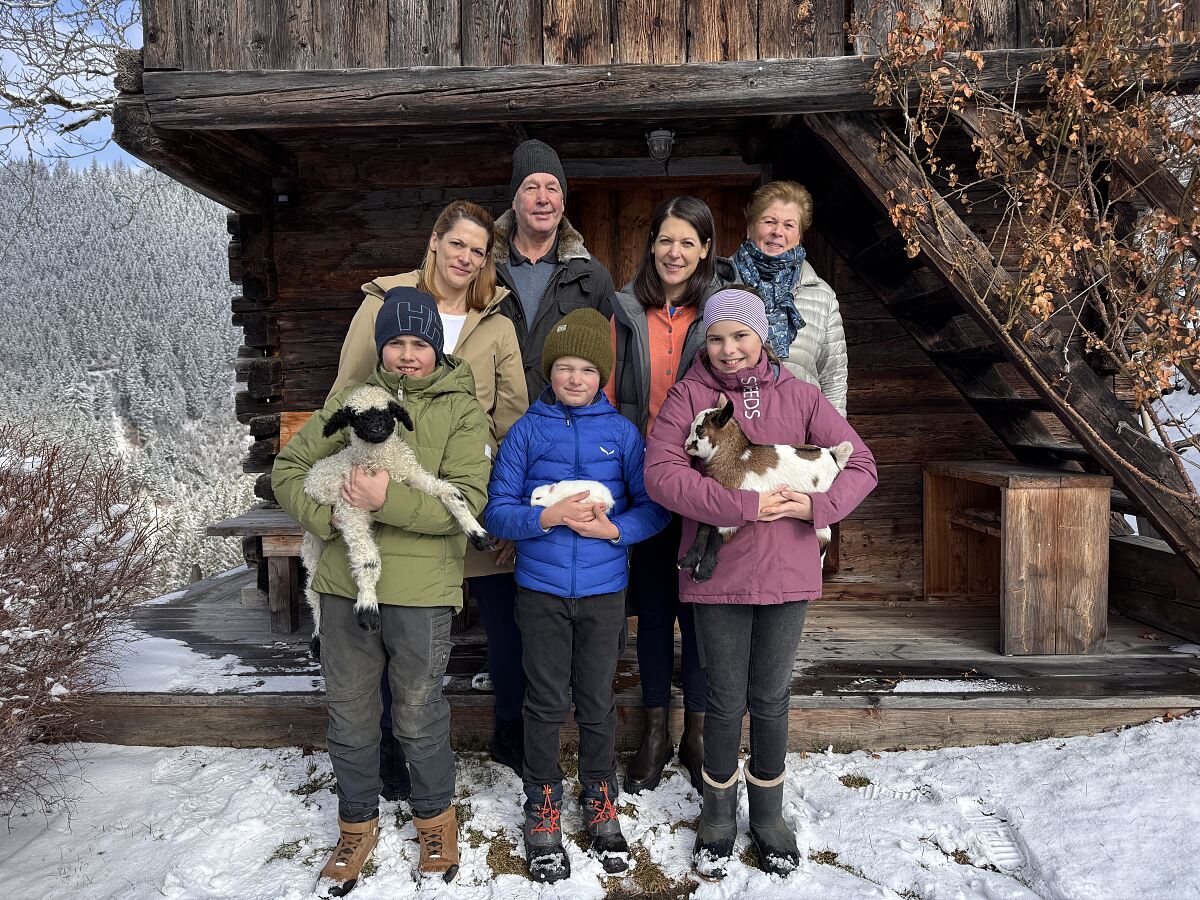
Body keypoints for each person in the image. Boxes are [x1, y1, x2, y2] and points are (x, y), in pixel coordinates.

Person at [644, 288, 877, 880]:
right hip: (717, 575)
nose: (727, 350)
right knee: (723, 699)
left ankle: (769, 813)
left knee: (771, 697)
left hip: (787, 571)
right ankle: (719, 814)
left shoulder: (801, 396)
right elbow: (661, 474)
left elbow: (863, 464)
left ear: (762, 337)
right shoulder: (689, 397)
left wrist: (816, 506)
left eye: (739, 337)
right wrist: (741, 502)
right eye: (716, 338)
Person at [274, 288, 491, 894]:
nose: (406, 355)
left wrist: (384, 500)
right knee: (349, 710)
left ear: (436, 348)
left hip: (422, 590)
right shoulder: (350, 401)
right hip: (346, 584)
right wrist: (327, 519)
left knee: (420, 712)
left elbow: (466, 506)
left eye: (419, 343)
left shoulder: (461, 411)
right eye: (396, 342)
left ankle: (435, 822)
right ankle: (356, 824)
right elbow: (286, 472)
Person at [327, 200, 530, 786]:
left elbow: (513, 419)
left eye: (479, 250)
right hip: (390, 495)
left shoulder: (495, 321)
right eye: (458, 244)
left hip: (469, 497)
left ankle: (509, 731)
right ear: (435, 242)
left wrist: (504, 506)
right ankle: (392, 747)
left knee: (504, 619)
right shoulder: (384, 305)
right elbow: (347, 392)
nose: (466, 258)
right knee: (395, 629)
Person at [484, 308, 669, 883]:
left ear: (602, 376)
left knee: (595, 699)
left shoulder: (622, 435)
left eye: (587, 369)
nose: (575, 378)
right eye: (564, 367)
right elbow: (497, 509)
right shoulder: (527, 431)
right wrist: (546, 517)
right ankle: (542, 803)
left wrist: (615, 531)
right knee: (542, 700)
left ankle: (599, 796)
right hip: (538, 589)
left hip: (602, 590)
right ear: (550, 372)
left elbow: (654, 507)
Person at [604, 195, 723, 794]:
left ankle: (696, 733)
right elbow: (606, 390)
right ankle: (655, 730)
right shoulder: (625, 311)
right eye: (665, 239)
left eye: (688, 241)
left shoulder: (720, 314)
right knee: (652, 611)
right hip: (645, 482)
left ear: (705, 249)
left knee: (700, 610)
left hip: (703, 483)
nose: (675, 252)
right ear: (651, 244)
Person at [494, 139, 617, 401]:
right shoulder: (483, 268)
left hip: (562, 424)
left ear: (562, 203)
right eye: (531, 188)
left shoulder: (592, 276)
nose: (543, 199)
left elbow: (608, 360)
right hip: (489, 421)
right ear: (514, 202)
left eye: (552, 188)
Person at [719, 180, 848, 416]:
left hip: (802, 433)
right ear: (750, 228)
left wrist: (835, 441)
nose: (778, 232)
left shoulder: (821, 294)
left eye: (789, 225)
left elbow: (833, 377)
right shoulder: (719, 284)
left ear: (799, 236)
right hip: (735, 432)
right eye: (769, 222)